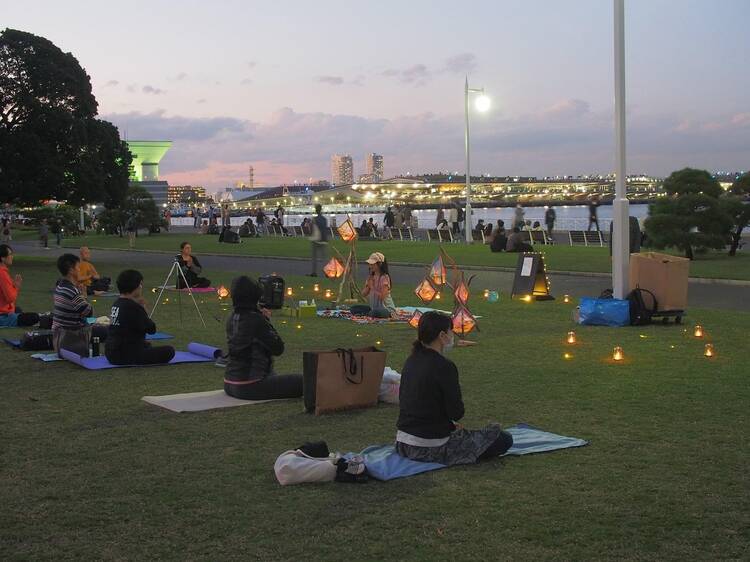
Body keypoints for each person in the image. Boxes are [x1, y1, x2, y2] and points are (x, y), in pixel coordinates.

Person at [396, 311, 513, 466]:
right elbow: (456, 412)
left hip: (403, 444)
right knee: (504, 439)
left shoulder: (411, 360)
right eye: (451, 331)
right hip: (430, 447)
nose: (453, 335)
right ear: (442, 336)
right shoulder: (444, 366)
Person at [223, 275, 303, 400]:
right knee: (306, 381)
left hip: (229, 383)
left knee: (280, 379)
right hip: (250, 386)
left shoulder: (231, 317)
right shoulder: (256, 319)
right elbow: (278, 348)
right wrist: (266, 320)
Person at [105, 269, 175, 365]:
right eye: (140, 285)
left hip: (111, 352)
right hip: (125, 354)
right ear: (136, 286)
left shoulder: (117, 303)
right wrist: (143, 309)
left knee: (146, 345)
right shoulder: (133, 307)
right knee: (169, 351)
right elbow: (151, 329)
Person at [52, 253, 93, 356]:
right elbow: (89, 312)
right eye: (78, 267)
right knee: (103, 330)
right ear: (71, 270)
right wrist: (84, 297)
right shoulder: (71, 291)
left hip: (58, 337)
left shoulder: (60, 286)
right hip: (69, 338)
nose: (79, 270)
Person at [0, 244, 39, 327]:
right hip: (3, 316)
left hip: (5, 311)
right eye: (10, 254)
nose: (12, 256)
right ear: (2, 258)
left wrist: (13, 286)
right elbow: (10, 298)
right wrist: (16, 287)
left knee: (18, 309)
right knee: (34, 317)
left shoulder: (3, 272)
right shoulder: (2, 273)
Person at [361, 252, 396, 318]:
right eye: (369, 264)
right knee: (354, 309)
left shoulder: (384, 278)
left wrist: (372, 287)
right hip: (374, 307)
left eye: (372, 264)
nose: (370, 266)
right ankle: (370, 313)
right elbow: (363, 294)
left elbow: (382, 297)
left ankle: (371, 313)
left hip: (387, 309)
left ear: (379, 264)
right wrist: (368, 286)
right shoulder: (371, 277)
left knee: (374, 313)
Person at [309, 204, 329, 277]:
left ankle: (314, 272)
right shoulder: (324, 219)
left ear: (316, 210)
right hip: (323, 240)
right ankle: (327, 273)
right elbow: (325, 230)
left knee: (314, 258)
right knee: (324, 258)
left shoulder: (314, 219)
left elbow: (312, 230)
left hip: (316, 240)